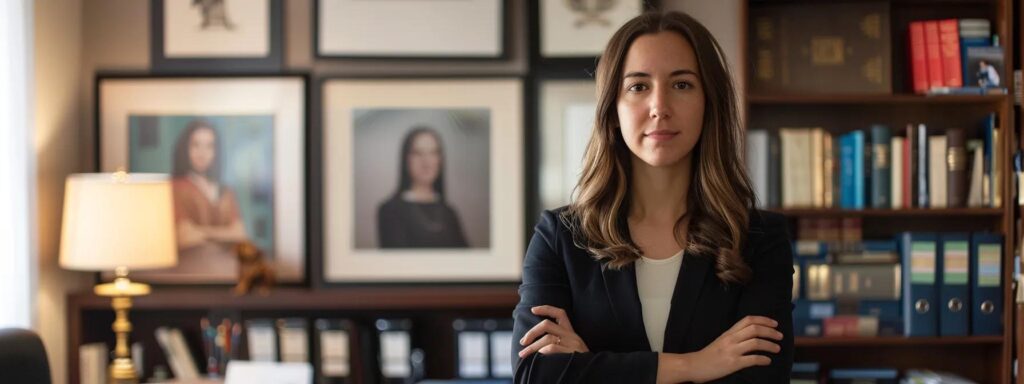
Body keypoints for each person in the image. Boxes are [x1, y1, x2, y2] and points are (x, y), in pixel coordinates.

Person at [513, 11, 794, 383]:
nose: (660, 107)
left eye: (682, 85)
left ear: (709, 103)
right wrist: (696, 365)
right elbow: (535, 375)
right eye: (638, 87)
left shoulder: (760, 239)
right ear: (612, 110)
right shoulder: (560, 237)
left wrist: (590, 364)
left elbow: (762, 379)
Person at [170, 119, 249, 274]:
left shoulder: (226, 191)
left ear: (216, 151)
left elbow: (240, 233)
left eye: (209, 146)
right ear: (185, 148)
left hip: (228, 272)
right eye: (196, 145)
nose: (202, 153)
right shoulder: (175, 187)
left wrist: (201, 232)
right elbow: (185, 236)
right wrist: (225, 233)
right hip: (190, 273)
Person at [377, 126, 469, 248]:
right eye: (418, 153)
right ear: (406, 159)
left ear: (440, 160)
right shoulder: (390, 211)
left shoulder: (449, 212)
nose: (427, 161)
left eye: (433, 153)